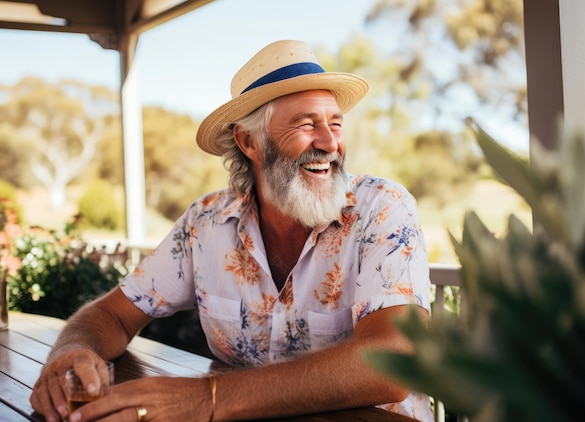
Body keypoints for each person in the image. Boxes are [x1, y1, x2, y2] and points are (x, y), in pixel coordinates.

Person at [30, 40, 433, 422]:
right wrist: (71, 352)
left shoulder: (382, 208)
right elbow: (113, 315)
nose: (330, 142)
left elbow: (395, 362)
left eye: (335, 123)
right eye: (306, 125)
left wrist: (208, 399)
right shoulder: (205, 222)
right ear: (249, 142)